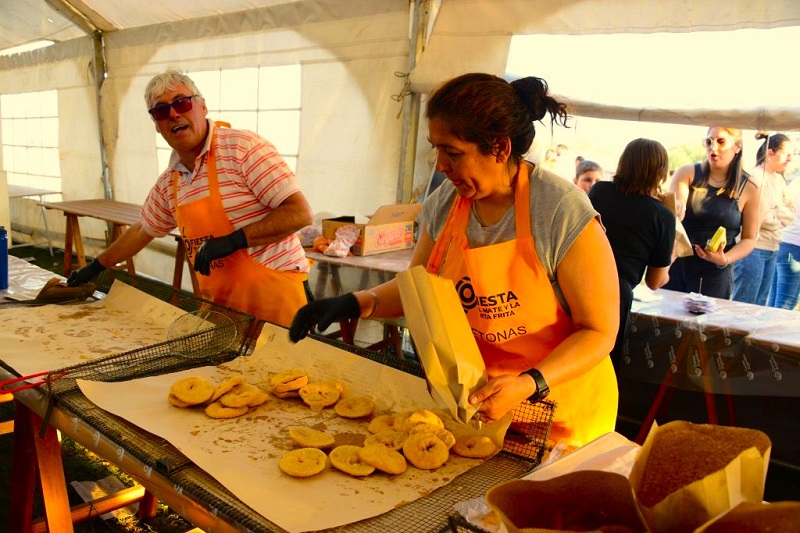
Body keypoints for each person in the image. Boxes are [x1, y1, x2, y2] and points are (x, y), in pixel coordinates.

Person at [290, 73, 620, 447]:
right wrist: (354, 302)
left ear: (498, 148)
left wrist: (530, 383)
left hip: (559, 417)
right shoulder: (446, 203)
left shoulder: (559, 210)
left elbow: (598, 332)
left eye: (453, 152)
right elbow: (419, 288)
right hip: (478, 408)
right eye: (436, 150)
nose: (441, 166)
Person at [67, 68, 313, 326]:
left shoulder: (241, 148)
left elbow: (299, 212)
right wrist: (97, 266)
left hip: (278, 301)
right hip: (222, 310)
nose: (174, 113)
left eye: (182, 102)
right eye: (161, 110)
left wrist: (234, 241)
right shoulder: (170, 182)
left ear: (202, 106)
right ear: (157, 125)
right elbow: (142, 230)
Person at [588, 139, 676, 369]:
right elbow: (655, 281)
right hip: (615, 293)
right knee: (601, 366)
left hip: (579, 280)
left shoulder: (600, 191)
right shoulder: (662, 216)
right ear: (661, 173)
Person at [663, 127, 759, 299]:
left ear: (737, 146)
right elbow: (676, 212)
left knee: (703, 325)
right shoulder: (687, 173)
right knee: (666, 323)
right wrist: (677, 206)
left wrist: (725, 259)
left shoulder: (750, 187)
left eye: (721, 141)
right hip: (676, 262)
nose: (713, 147)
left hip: (715, 272)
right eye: (709, 141)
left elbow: (750, 238)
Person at [732, 132, 795, 305]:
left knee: (760, 303)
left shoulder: (780, 181)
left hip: (773, 247)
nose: (790, 159)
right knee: (744, 302)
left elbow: (791, 211)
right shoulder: (754, 178)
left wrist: (775, 213)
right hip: (752, 248)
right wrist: (777, 215)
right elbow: (759, 216)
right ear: (770, 153)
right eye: (786, 154)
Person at [769, 175, 800, 309]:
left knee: (775, 300)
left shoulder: (796, 181)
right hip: (794, 247)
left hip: (784, 243)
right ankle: (773, 330)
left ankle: (765, 330)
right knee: (786, 304)